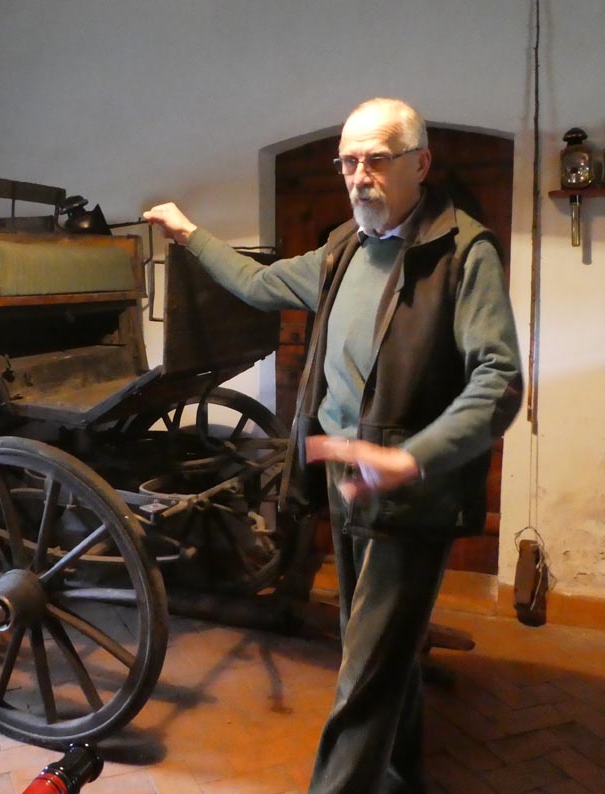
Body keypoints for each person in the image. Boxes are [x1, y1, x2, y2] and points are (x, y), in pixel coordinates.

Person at [144, 97, 523, 793]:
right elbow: (257, 283)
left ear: (420, 164)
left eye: (376, 160)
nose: (358, 177)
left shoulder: (463, 253)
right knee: (380, 650)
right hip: (346, 482)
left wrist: (411, 457)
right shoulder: (343, 250)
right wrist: (189, 233)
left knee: (363, 675)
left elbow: (499, 382)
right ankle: (399, 778)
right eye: (347, 162)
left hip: (410, 494)